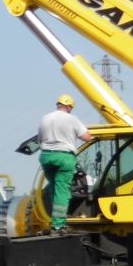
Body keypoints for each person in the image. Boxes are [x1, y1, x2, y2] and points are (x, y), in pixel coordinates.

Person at [38, 93, 90, 233]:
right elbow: (87, 137)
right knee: (62, 191)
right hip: (64, 157)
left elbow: (40, 139)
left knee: (53, 189)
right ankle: (58, 225)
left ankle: (54, 218)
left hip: (46, 157)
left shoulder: (45, 118)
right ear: (68, 106)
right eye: (71, 108)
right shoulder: (71, 119)